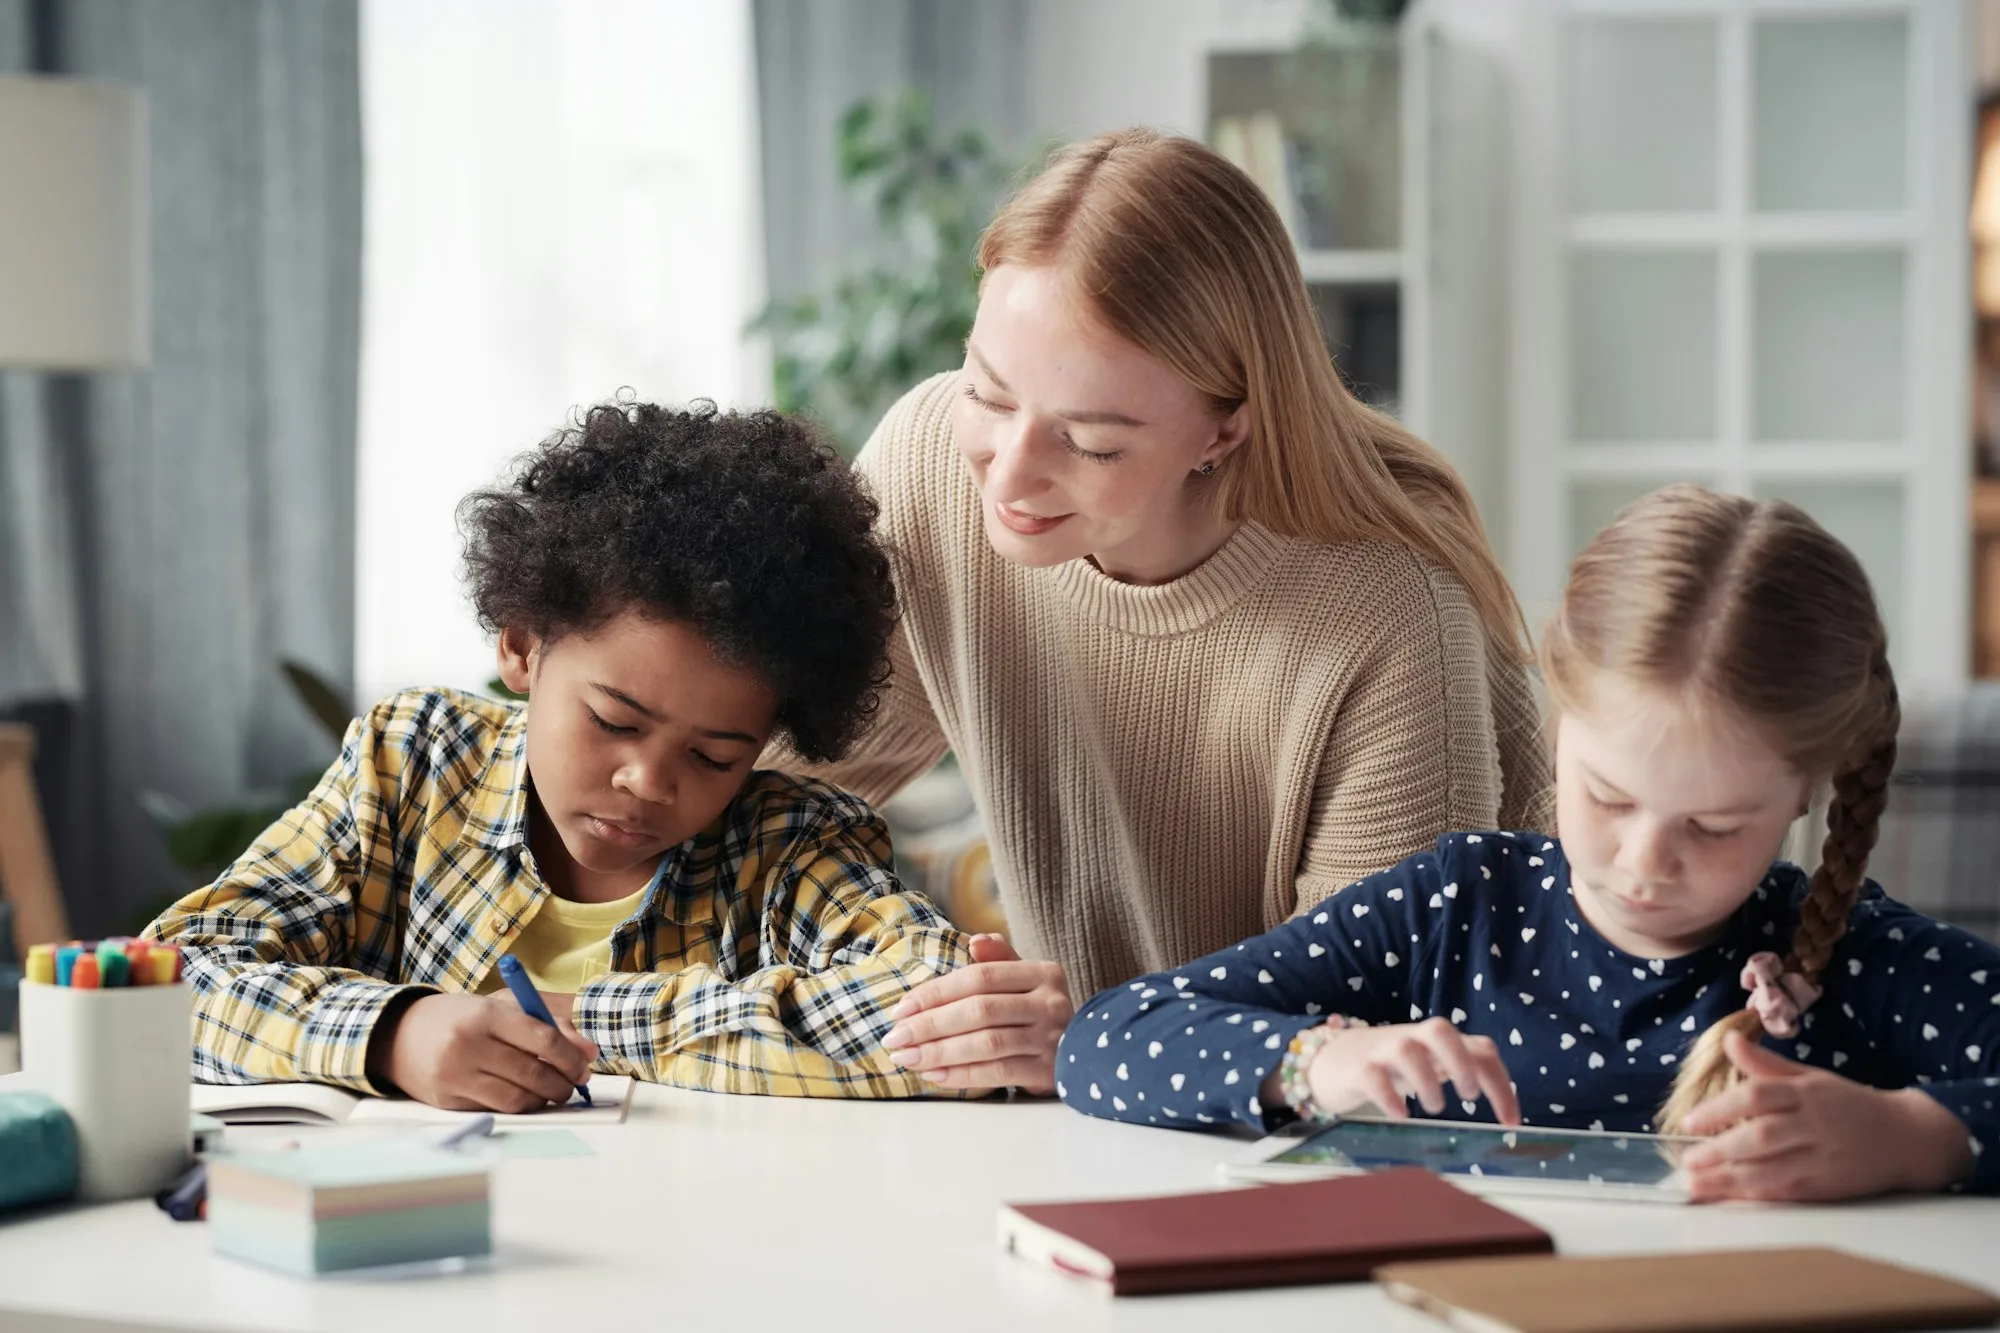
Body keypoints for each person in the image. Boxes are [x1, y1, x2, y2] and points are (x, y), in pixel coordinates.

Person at [777, 128, 1551, 1095]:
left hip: (1356, 1136)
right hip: (1094, 1107)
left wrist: (1082, 1043)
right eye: (987, 391)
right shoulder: (934, 465)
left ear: (1225, 426)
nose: (1009, 474)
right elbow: (762, 796)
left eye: (1093, 443)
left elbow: (1374, 1054)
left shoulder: (1390, 616)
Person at [1055, 484, 2000, 1201]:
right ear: (1557, 725)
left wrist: (1915, 1133)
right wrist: (1315, 1062)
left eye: (1713, 827)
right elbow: (1103, 1040)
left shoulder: (1855, 963)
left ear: (1805, 792)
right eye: (1607, 795)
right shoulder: (1455, 906)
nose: (1642, 862)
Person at [147, 401, 972, 1110]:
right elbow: (167, 980)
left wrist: (584, 1018)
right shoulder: (413, 766)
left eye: (715, 756)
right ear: (521, 646)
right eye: (615, 721)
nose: (648, 780)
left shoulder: (793, 842)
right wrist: (394, 1033)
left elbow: (935, 1004)